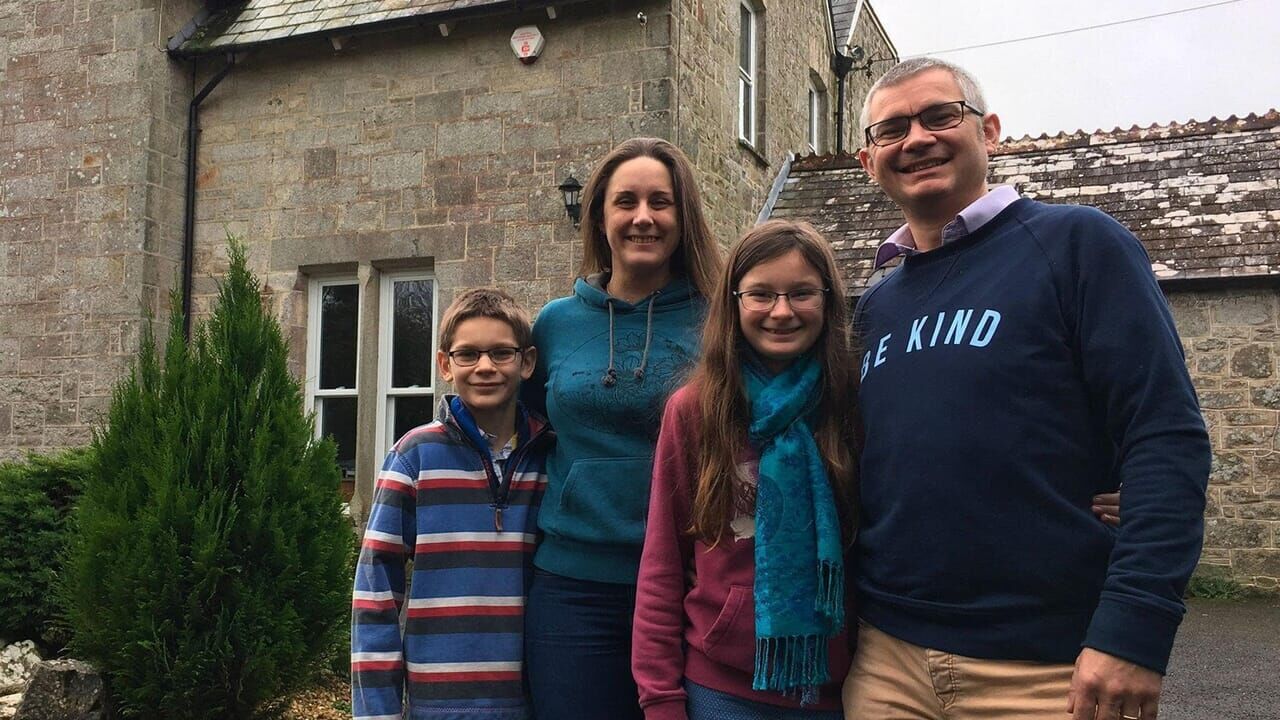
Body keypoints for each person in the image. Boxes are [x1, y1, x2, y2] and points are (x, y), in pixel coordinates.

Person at [844, 57, 1210, 720]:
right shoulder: (878, 303)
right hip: (885, 663)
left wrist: (1134, 629)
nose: (917, 138)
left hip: (1048, 670)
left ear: (988, 131)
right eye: (892, 129)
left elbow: (1165, 435)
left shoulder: (1079, 245)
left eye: (939, 116)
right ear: (870, 162)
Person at [522, 137, 723, 720]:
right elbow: (525, 427)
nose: (643, 217)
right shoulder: (555, 323)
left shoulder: (720, 320)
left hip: (692, 584)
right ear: (599, 217)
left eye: (661, 202)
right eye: (625, 201)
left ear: (684, 217)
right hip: (572, 589)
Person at [633, 220, 859, 720]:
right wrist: (660, 698)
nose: (782, 311)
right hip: (723, 687)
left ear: (828, 300)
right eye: (761, 294)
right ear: (733, 303)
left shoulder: (850, 402)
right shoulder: (697, 409)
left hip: (837, 685)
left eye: (801, 293)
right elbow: (662, 563)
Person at [351, 288, 552, 720]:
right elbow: (375, 593)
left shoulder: (549, 457)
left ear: (527, 362)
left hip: (533, 701)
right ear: (445, 364)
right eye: (468, 354)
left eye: (502, 353)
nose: (485, 366)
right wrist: (377, 712)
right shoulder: (414, 456)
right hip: (437, 704)